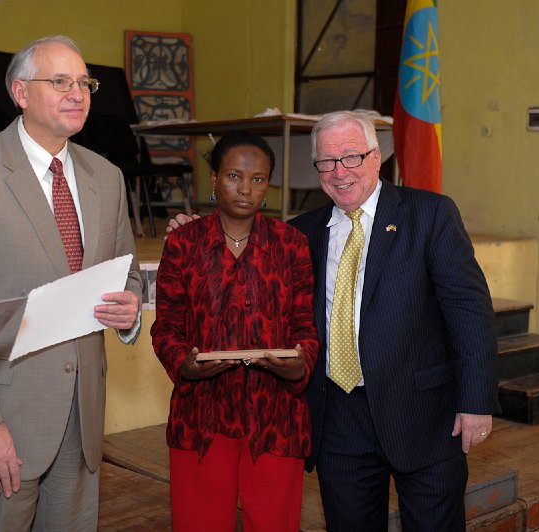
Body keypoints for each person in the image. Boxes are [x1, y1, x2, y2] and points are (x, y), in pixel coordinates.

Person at [168, 111, 499, 530]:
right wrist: (192, 229)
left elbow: (470, 311)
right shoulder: (300, 233)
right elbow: (244, 253)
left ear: (377, 158)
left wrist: (475, 401)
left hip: (423, 415)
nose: (340, 172)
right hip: (338, 419)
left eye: (351, 157)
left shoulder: (429, 214)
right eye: (327, 161)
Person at [0, 35, 142, 531]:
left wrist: (129, 311)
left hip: (82, 421)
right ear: (20, 93)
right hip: (1, 418)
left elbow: (127, 272)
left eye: (85, 82)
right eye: (60, 81)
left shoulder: (105, 176)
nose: (77, 93)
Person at [151, 130, 319, 531]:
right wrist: (184, 366)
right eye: (233, 176)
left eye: (258, 179)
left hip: (275, 416)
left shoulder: (291, 244)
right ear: (213, 178)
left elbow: (306, 327)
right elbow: (166, 327)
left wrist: (299, 366)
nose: (245, 189)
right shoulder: (183, 243)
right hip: (201, 417)